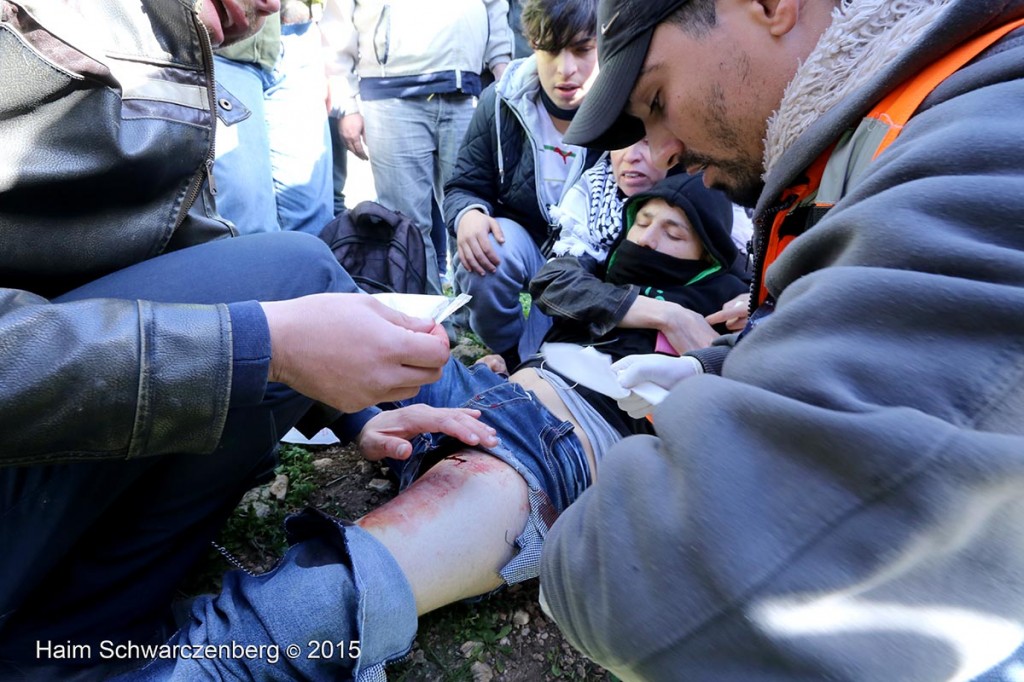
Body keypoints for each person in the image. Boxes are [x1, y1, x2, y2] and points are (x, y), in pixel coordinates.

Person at [537, 0, 1024, 680]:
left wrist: (562, 559)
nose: (660, 152)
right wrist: (719, 364)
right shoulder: (878, 133)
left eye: (656, 99)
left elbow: (695, 585)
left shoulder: (992, 122)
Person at [0, 2, 475, 678]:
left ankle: (73, 642)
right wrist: (260, 346)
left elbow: (193, 266)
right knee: (286, 285)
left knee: (289, 281)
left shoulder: (158, 45)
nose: (276, 7)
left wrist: (360, 414)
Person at [314, 171, 747, 656]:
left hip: (556, 437)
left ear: (707, 253)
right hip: (489, 389)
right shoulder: (606, 266)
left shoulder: (726, 300)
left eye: (673, 233)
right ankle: (370, 424)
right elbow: (553, 282)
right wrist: (662, 314)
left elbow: (767, 357)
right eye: (642, 221)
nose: (646, 238)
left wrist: (744, 321)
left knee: (342, 594)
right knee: (330, 317)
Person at [443, 0, 601, 369]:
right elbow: (464, 184)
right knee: (485, 251)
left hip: (594, 256)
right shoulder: (500, 100)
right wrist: (468, 214)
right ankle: (509, 351)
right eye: (550, 50)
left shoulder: (630, 104)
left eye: (582, 50)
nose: (566, 69)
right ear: (532, 44)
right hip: (525, 240)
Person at [320, 0, 512, 295]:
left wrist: (503, 69)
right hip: (388, 93)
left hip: (466, 89)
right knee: (407, 225)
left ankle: (473, 314)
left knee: (471, 211)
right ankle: (428, 322)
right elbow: (339, 17)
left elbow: (495, 5)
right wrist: (347, 102)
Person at [213, 4, 335, 236]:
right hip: (225, 44)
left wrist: (327, 58)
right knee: (244, 216)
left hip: (300, 37)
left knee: (314, 222)